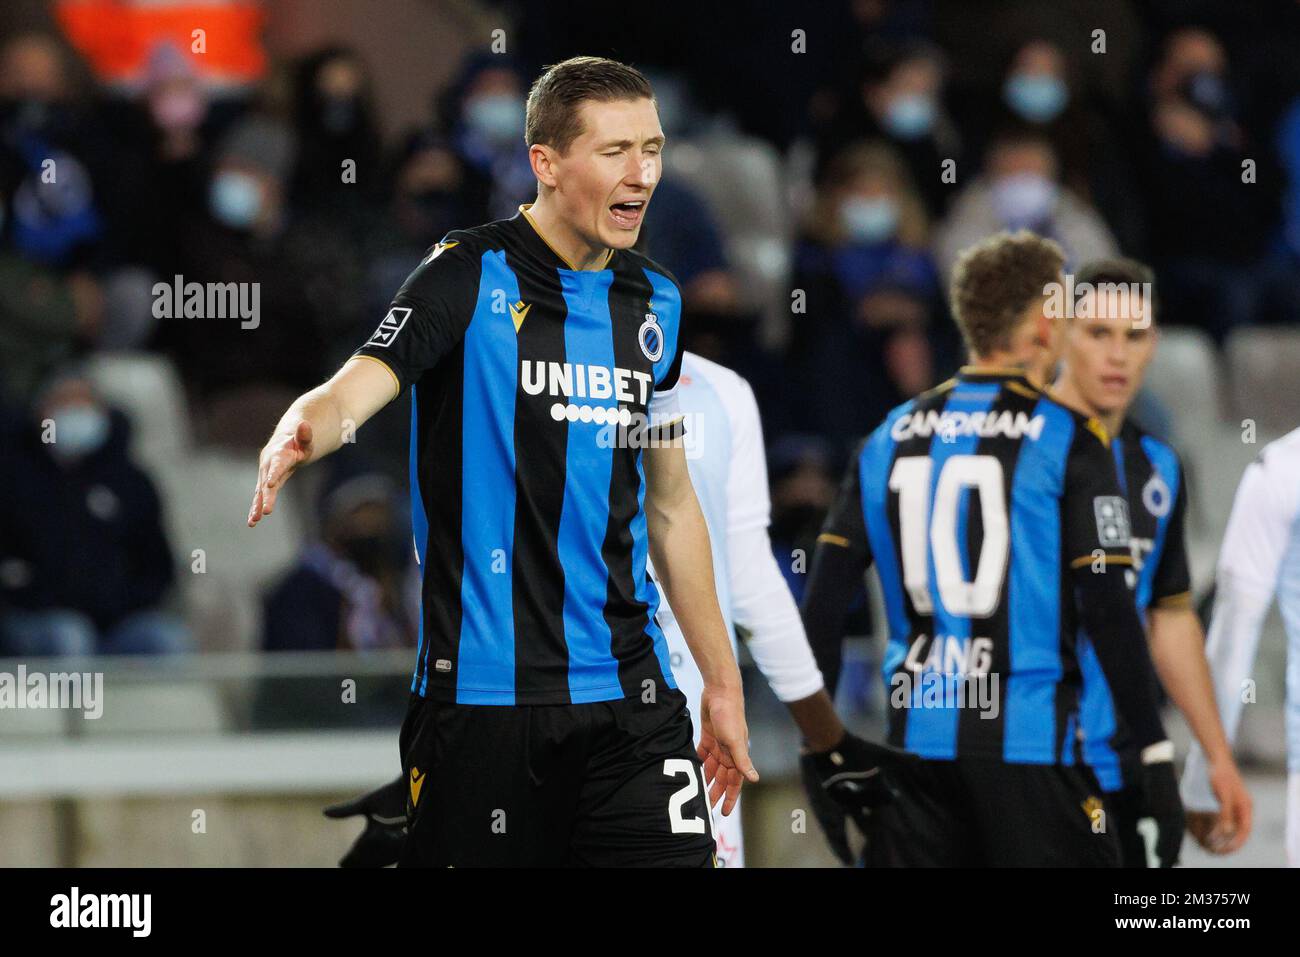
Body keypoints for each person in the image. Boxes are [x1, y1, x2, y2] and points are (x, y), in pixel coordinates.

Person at [247, 56, 756, 867]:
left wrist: (721, 685)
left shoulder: (654, 301)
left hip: (632, 695)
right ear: (546, 164)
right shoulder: (468, 272)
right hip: (484, 701)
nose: (643, 173)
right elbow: (357, 387)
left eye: (652, 148)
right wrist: (310, 422)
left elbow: (668, 502)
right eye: (615, 150)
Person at [325, 352, 890, 869]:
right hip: (654, 724)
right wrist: (826, 738)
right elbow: (752, 584)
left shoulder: (509, 365)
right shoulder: (717, 388)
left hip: (656, 725)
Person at [801, 230, 1182, 866]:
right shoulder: (1073, 440)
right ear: (1040, 325)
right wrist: (1152, 752)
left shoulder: (887, 437)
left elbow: (820, 612)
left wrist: (822, 750)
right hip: (1033, 755)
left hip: (915, 757)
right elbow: (1111, 610)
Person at [1051, 257, 1252, 865]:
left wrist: (1214, 758)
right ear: (1062, 335)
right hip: (1026, 759)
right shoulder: (1017, 448)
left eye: (1134, 337)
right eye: (1099, 334)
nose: (1118, 355)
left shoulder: (1157, 466)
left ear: (1154, 343)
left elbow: (1168, 617)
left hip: (1122, 757)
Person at [0, 366, 189, 657]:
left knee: (168, 639)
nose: (76, 412)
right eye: (64, 402)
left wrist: (121, 601)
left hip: (116, 621)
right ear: (40, 412)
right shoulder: (13, 477)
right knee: (71, 636)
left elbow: (157, 564)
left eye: (86, 403)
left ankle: (172, 705)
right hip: (34, 619)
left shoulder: (130, 481)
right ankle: (77, 705)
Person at [1180, 427, 1300, 867]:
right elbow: (1235, 627)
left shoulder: (1282, 468)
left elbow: (1235, 626)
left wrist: (1200, 778)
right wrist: (1204, 771)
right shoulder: (1282, 471)